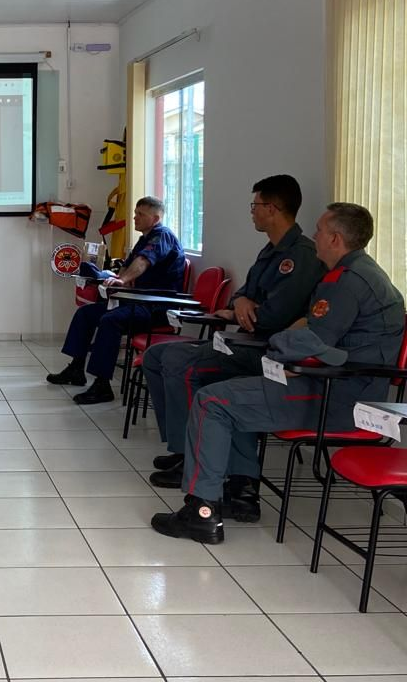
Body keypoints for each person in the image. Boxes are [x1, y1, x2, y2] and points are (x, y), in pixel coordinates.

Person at [151, 203, 404, 545]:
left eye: (319, 229)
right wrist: (286, 343)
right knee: (230, 391)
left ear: (335, 238)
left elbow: (308, 339)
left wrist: (280, 342)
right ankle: (237, 490)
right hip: (334, 385)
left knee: (213, 401)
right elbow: (310, 332)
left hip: (340, 398)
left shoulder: (349, 281)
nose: (313, 235)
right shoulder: (352, 273)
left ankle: (202, 513)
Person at [142, 175, 326, 502]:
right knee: (158, 357)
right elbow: (245, 294)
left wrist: (244, 308)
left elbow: (272, 316)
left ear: (272, 208)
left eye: (254, 206)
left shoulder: (301, 255)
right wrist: (240, 303)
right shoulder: (271, 250)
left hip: (268, 350)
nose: (251, 212)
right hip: (246, 341)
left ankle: (193, 456)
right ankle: (184, 447)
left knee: (178, 362)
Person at [47, 197, 185, 405]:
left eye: (141, 214)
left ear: (155, 218)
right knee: (87, 313)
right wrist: (115, 281)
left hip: (156, 308)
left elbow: (142, 262)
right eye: (135, 212)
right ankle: (76, 369)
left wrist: (122, 280)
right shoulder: (144, 238)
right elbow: (127, 266)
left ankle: (102, 385)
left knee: (110, 320)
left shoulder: (162, 236)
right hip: (135, 301)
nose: (134, 217)